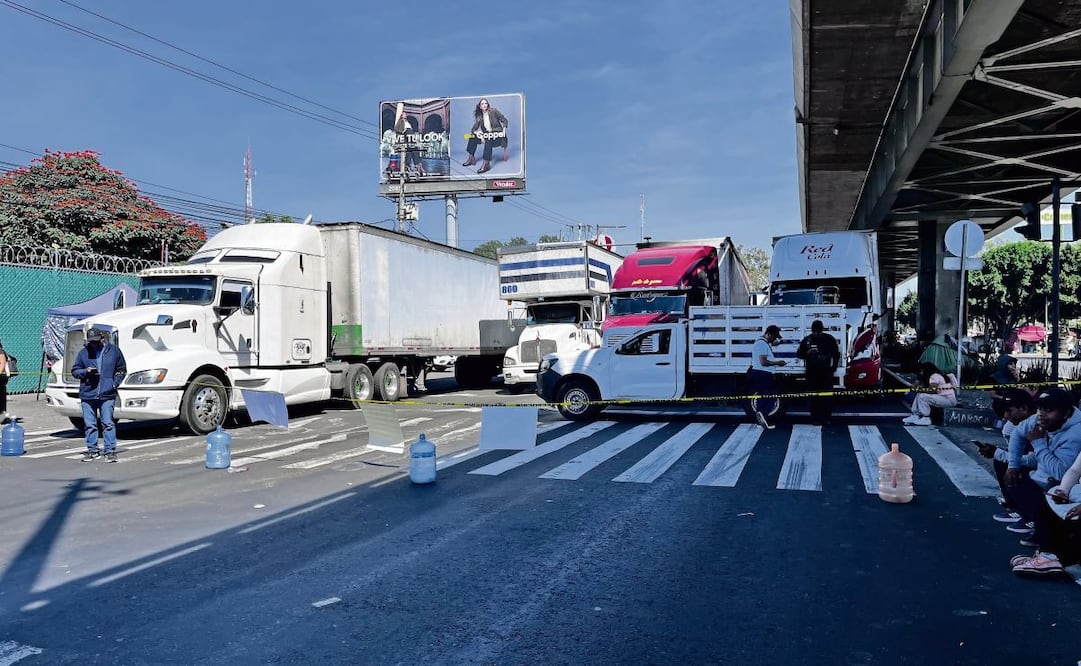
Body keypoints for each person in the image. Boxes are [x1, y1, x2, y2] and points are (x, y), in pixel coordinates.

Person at [998, 388, 1081, 560]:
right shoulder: (1038, 420)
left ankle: (1047, 543)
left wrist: (1037, 442)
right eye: (1040, 408)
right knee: (1006, 466)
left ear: (1065, 414)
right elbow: (1017, 435)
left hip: (1059, 483)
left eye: (1049, 410)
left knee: (1051, 489)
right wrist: (1013, 465)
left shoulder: (1076, 433)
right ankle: (1030, 519)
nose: (1041, 415)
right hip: (1049, 476)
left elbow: (1061, 472)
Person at [974, 388, 1036, 524]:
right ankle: (1018, 509)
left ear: (1024, 409)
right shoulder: (1019, 425)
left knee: (1018, 470)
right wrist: (998, 453)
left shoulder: (1036, 425)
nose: (1006, 417)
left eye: (1009, 411)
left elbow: (1034, 461)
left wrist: (999, 454)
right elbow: (1015, 451)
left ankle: (1033, 518)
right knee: (1003, 462)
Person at [70, 328, 127, 462]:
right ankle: (92, 450)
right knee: (90, 424)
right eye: (91, 342)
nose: (93, 344)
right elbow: (75, 371)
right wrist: (86, 371)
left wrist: (114, 384)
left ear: (102, 339)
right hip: (88, 393)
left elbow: (121, 369)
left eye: (96, 341)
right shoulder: (84, 353)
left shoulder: (114, 351)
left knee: (108, 423)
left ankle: (110, 451)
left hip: (107, 393)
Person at [796, 319, 841, 425]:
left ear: (822, 330)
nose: (816, 334)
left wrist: (833, 367)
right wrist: (807, 353)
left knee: (826, 397)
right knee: (813, 397)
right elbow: (799, 354)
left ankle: (826, 418)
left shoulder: (829, 339)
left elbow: (836, 354)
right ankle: (816, 418)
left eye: (818, 332)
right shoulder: (807, 340)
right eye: (815, 332)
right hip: (812, 372)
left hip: (825, 372)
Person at [749, 324, 786, 430]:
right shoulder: (762, 344)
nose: (775, 339)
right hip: (763, 373)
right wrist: (777, 362)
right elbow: (763, 362)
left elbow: (773, 343)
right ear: (769, 334)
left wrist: (777, 342)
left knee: (764, 395)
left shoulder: (763, 343)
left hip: (761, 373)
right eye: (774, 336)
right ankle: (762, 413)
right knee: (770, 396)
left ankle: (761, 419)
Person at [462, 98, 509, 174]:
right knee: (471, 136)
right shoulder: (479, 116)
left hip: (498, 137)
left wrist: (503, 130)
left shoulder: (494, 111)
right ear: (480, 106)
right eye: (482, 104)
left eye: (485, 103)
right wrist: (477, 134)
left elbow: (504, 120)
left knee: (488, 140)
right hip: (486, 136)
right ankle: (471, 158)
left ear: (488, 105)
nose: (484, 105)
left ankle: (486, 164)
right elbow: (474, 128)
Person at [0, 339, 8, 423]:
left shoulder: (0, 350)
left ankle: (1, 416)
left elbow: (2, 363)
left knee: (1, 397)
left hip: (1, 378)